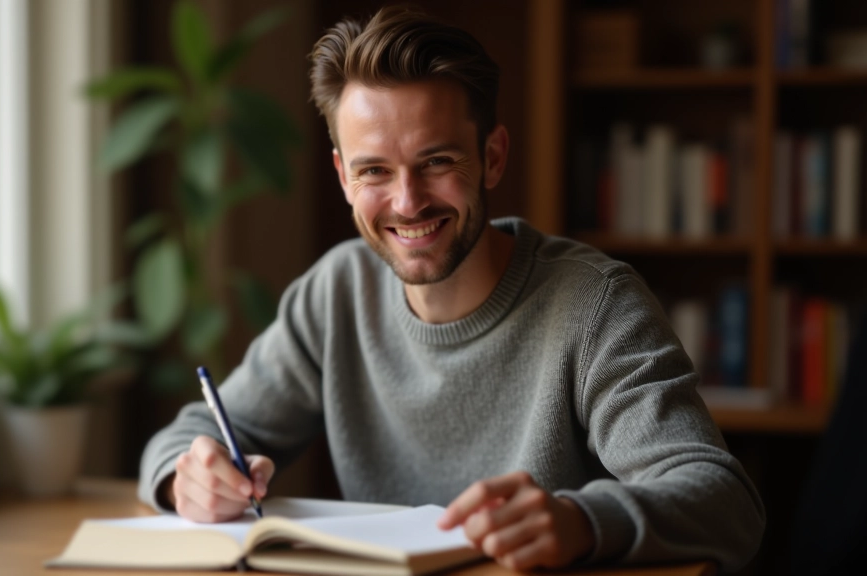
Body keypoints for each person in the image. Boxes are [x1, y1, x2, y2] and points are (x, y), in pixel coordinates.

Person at [139, 6, 765, 572]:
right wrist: (184, 477)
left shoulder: (594, 303)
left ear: (492, 157)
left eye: (437, 162)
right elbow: (192, 432)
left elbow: (723, 497)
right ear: (342, 176)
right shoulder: (336, 292)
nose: (408, 203)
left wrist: (581, 521)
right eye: (375, 171)